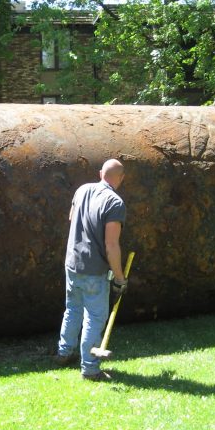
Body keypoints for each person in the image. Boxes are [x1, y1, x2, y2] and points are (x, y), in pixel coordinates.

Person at [56, 159, 127, 381]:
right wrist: (119, 277)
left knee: (72, 309)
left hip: (72, 264)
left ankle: (63, 353)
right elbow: (111, 245)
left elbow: (71, 218)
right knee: (95, 317)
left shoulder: (82, 190)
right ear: (121, 178)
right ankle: (90, 368)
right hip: (93, 271)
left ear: (100, 174)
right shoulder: (115, 203)